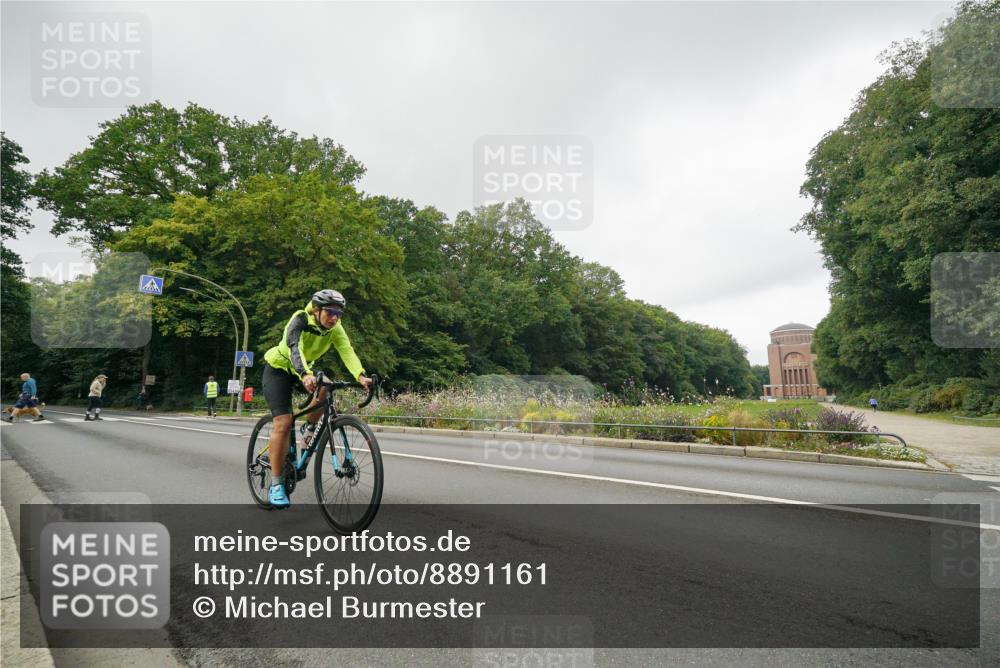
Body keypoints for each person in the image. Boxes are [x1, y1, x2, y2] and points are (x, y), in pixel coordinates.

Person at [261, 289, 372, 509]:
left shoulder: (335, 328)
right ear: (317, 309)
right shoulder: (299, 320)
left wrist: (360, 375)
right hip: (280, 369)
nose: (335, 318)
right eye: (330, 312)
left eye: (339, 314)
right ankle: (276, 484)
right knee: (283, 423)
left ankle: (309, 429)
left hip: (304, 370)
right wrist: (304, 374)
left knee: (327, 386)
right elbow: (295, 348)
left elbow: (346, 350)